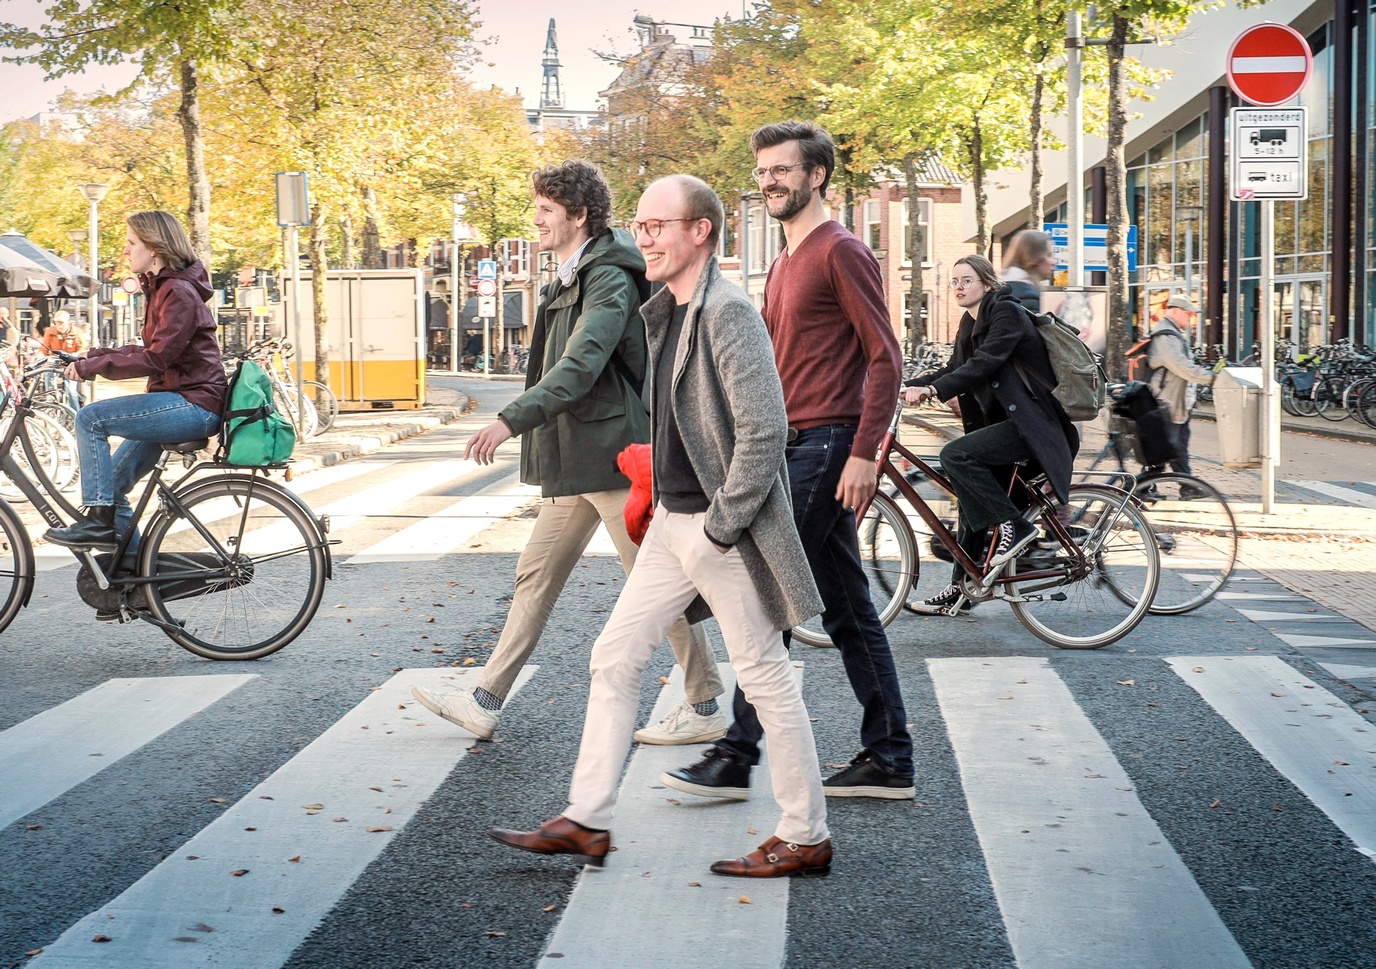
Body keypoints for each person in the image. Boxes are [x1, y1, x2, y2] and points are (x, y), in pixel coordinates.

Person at [487, 175, 831, 878]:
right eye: (640, 225)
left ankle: (805, 832)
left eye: (658, 226)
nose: (642, 237)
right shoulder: (665, 309)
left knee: (764, 676)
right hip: (673, 520)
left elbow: (765, 434)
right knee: (614, 658)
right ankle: (586, 820)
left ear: (699, 231)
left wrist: (721, 527)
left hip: (715, 528)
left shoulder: (727, 312)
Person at [410, 159, 724, 746]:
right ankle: (485, 699)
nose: (537, 223)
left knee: (653, 584)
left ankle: (705, 703)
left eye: (547, 212)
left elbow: (580, 366)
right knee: (536, 576)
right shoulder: (574, 273)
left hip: (611, 455)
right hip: (579, 454)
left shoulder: (608, 278)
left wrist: (509, 420)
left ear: (579, 216)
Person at [664, 120, 915, 803]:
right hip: (792, 446)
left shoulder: (841, 251)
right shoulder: (783, 259)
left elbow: (884, 357)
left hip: (829, 444)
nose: (770, 180)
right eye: (764, 171)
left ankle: (737, 751)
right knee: (848, 611)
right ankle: (889, 756)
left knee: (757, 590)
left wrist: (865, 451)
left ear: (816, 176)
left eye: (783, 170)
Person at [902, 254, 1079, 616]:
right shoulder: (969, 324)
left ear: (986, 283)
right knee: (969, 500)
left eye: (967, 280)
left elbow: (985, 364)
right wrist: (905, 386)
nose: (959, 288)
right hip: (1007, 427)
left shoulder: (1006, 313)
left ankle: (1014, 526)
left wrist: (935, 392)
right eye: (954, 282)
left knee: (956, 456)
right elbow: (954, 368)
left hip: (1035, 427)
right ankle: (960, 590)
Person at [43, 211, 227, 550]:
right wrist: (92, 355)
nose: (126, 251)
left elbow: (157, 358)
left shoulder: (177, 292)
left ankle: (98, 523)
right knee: (111, 486)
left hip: (193, 405)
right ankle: (137, 579)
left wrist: (91, 369)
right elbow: (153, 348)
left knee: (90, 417)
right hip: (179, 400)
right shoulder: (164, 290)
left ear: (154, 248)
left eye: (132, 243)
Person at [1144, 295, 1214, 479]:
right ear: (1174, 311)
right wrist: (1211, 378)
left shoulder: (1172, 333)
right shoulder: (1165, 335)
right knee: (1168, 446)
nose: (1190, 318)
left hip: (1176, 400)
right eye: (1188, 314)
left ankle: (1187, 486)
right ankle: (1142, 487)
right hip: (1167, 399)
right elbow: (1180, 365)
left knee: (1176, 445)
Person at [41, 309, 89, 410]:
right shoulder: (49, 332)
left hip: (71, 364)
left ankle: (76, 414)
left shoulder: (77, 332)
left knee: (71, 390)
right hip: (56, 363)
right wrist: (47, 356)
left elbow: (83, 348)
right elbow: (44, 349)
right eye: (57, 323)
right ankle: (49, 395)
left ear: (68, 323)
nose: (59, 326)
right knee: (47, 373)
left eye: (62, 323)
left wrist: (75, 355)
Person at [1001, 229, 1056, 313]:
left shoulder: (998, 290)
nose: (1053, 262)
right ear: (1034, 258)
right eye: (1049, 255)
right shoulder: (1029, 298)